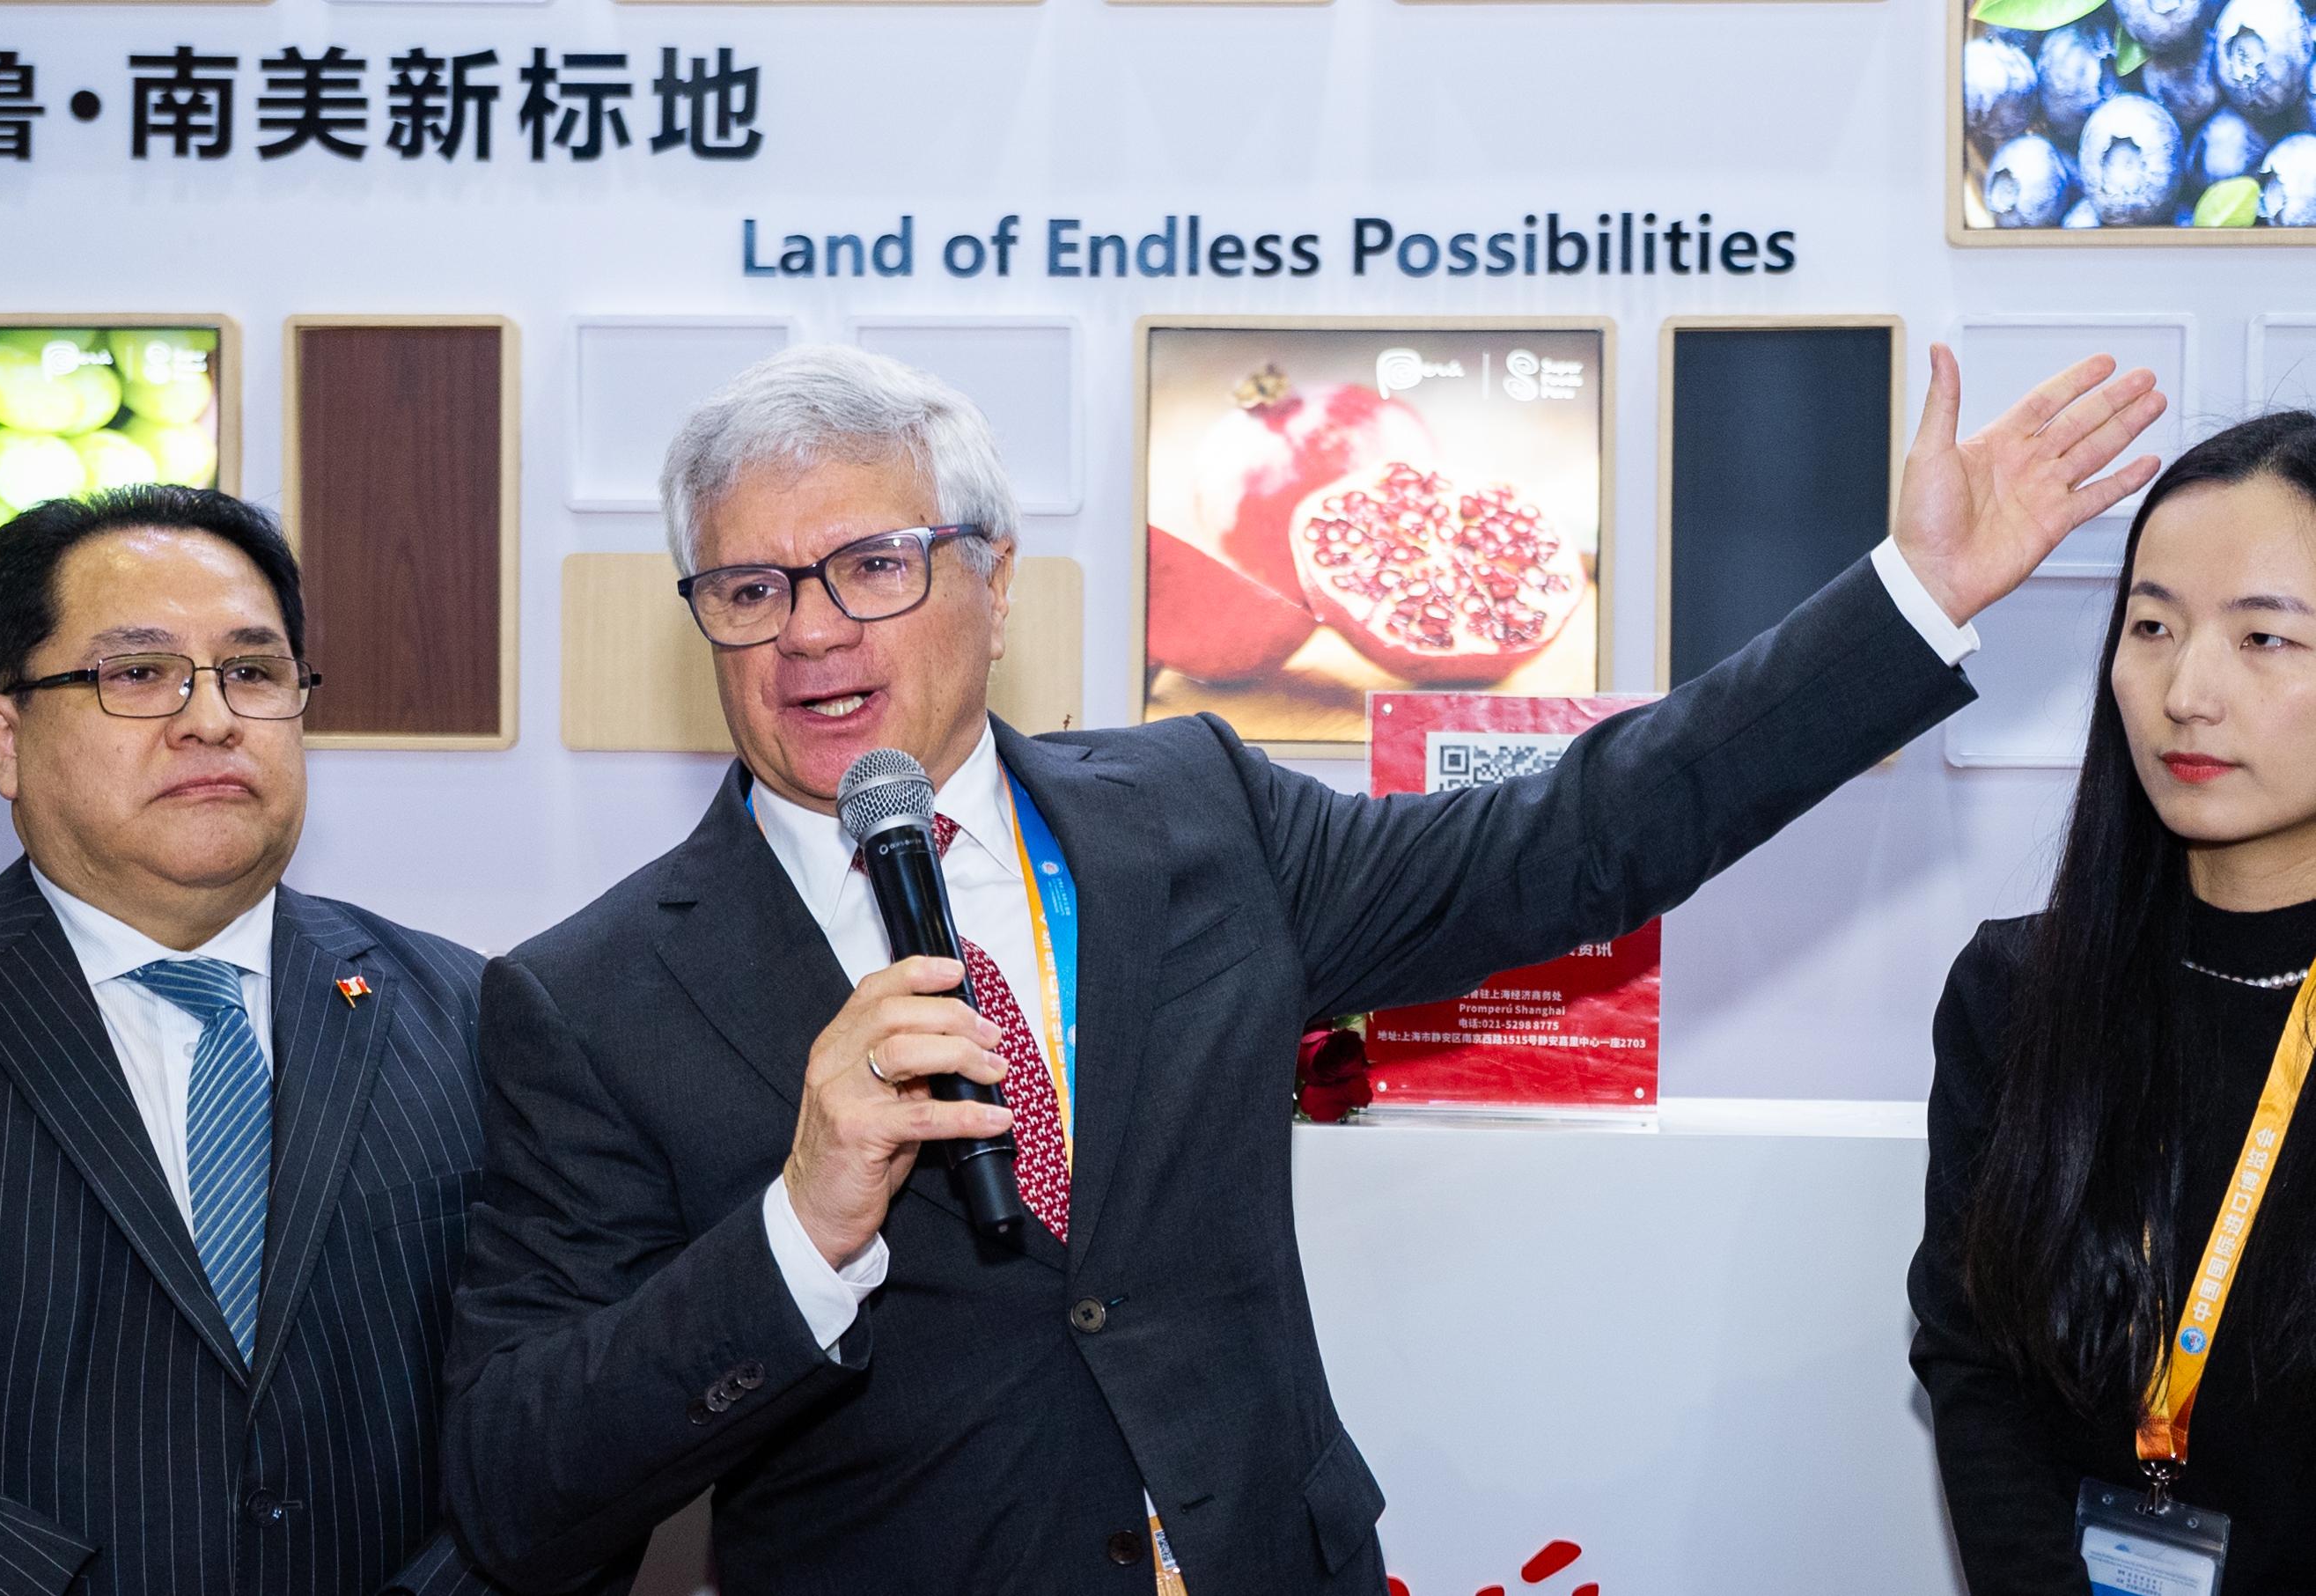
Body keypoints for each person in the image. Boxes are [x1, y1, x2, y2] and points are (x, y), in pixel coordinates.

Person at [441, 342, 2162, 1595]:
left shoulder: (1193, 813)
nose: (811, 627)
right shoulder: (587, 1000)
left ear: (992, 578)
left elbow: (1578, 836)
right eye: (749, 587)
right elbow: (521, 1491)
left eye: (871, 565)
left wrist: (1906, 601)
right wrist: (797, 1229)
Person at [0, 487, 504, 1595]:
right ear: (4, 740)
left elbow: (553, 1414)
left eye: (251, 671)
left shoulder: (471, 1013)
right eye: (139, 672)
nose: (210, 718)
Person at [1912, 413, 2316, 1596]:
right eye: (2152, 627)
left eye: (2264, 638)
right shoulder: (2014, 993)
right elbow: (1973, 1364)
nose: (2187, 692)